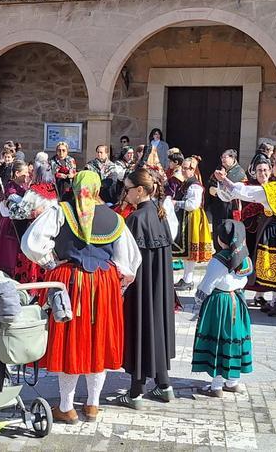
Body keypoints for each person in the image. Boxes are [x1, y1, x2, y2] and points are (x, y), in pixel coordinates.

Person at [22, 171, 140, 424]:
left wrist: (51, 262)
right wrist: (117, 285)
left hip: (70, 284)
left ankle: (67, 406)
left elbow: (31, 244)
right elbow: (130, 262)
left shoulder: (60, 211)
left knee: (71, 342)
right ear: (97, 190)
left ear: (75, 188)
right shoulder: (115, 218)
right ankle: (93, 405)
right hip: (103, 284)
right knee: (96, 340)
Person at [109, 169, 176, 409]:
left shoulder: (136, 219)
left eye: (127, 188)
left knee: (139, 330)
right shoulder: (161, 214)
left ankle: (135, 392)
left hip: (141, 288)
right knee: (156, 328)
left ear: (139, 191)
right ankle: (164, 385)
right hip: (160, 288)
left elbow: (126, 260)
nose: (124, 193)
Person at [218, 156, 276, 316]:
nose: (272, 168)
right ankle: (274, 300)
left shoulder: (275, 188)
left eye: (273, 166)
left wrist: (226, 181)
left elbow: (249, 193)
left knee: (269, 266)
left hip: (273, 229)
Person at [191, 217, 253, 396]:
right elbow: (245, 280)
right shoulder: (245, 259)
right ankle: (233, 381)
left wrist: (198, 301)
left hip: (219, 304)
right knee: (234, 339)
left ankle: (217, 385)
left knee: (219, 340)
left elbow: (207, 285)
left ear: (221, 239)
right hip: (238, 303)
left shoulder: (218, 260)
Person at [0, 160, 48, 286]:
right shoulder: (11, 187)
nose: (27, 175)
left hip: (22, 225)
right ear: (16, 173)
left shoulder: (25, 186)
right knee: (9, 255)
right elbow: (18, 204)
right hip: (11, 226)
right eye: (24, 173)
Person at [172, 156, 213, 291]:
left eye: (185, 168)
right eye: (182, 167)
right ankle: (186, 278)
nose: (182, 170)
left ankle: (188, 280)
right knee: (187, 251)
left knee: (190, 249)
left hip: (193, 218)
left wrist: (176, 203)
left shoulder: (194, 185)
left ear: (192, 169)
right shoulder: (187, 182)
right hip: (187, 218)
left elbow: (192, 205)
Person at [207, 149, 247, 233]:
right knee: (217, 232)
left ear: (232, 158)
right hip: (218, 206)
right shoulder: (219, 168)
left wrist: (217, 190)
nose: (222, 159)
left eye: (225, 157)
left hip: (230, 208)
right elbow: (211, 184)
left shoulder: (239, 172)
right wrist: (214, 189)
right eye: (222, 157)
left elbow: (229, 189)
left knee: (228, 232)